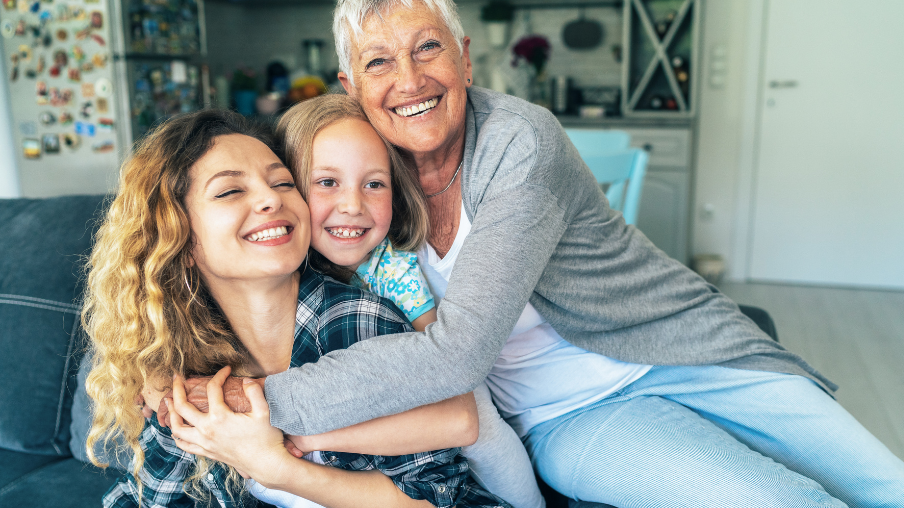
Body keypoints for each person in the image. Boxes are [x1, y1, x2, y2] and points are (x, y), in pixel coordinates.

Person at [167, 1, 904, 506]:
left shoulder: (520, 141)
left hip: (689, 349)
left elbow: (453, 358)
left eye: (428, 48)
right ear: (352, 85)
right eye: (380, 62)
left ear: (463, 56)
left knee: (883, 482)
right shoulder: (355, 193)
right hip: (571, 416)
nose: (411, 79)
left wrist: (245, 405)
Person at [81, 109, 511, 508]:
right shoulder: (177, 359)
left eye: (283, 183)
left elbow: (440, 494)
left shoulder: (360, 321)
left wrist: (279, 467)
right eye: (231, 190)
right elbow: (160, 494)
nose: (270, 199)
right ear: (178, 239)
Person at [275, 93, 545, 507]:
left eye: (374, 184)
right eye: (327, 182)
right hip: (343, 413)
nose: (352, 205)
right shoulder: (276, 266)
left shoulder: (392, 268)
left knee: (487, 434)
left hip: (435, 393)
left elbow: (445, 365)